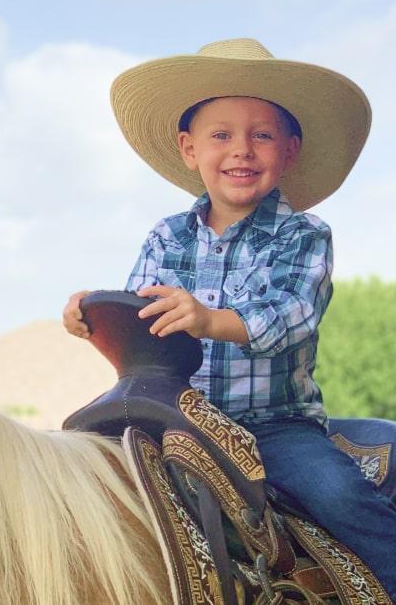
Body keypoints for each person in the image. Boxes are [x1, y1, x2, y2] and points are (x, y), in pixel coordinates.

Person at [63, 38, 396, 596]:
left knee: (337, 495)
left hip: (274, 426)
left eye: (260, 135)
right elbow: (141, 324)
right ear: (190, 149)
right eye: (221, 135)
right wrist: (91, 315)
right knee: (76, 465)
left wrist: (212, 319)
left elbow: (293, 313)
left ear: (289, 152)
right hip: (172, 418)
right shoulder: (165, 236)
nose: (241, 150)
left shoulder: (303, 234)